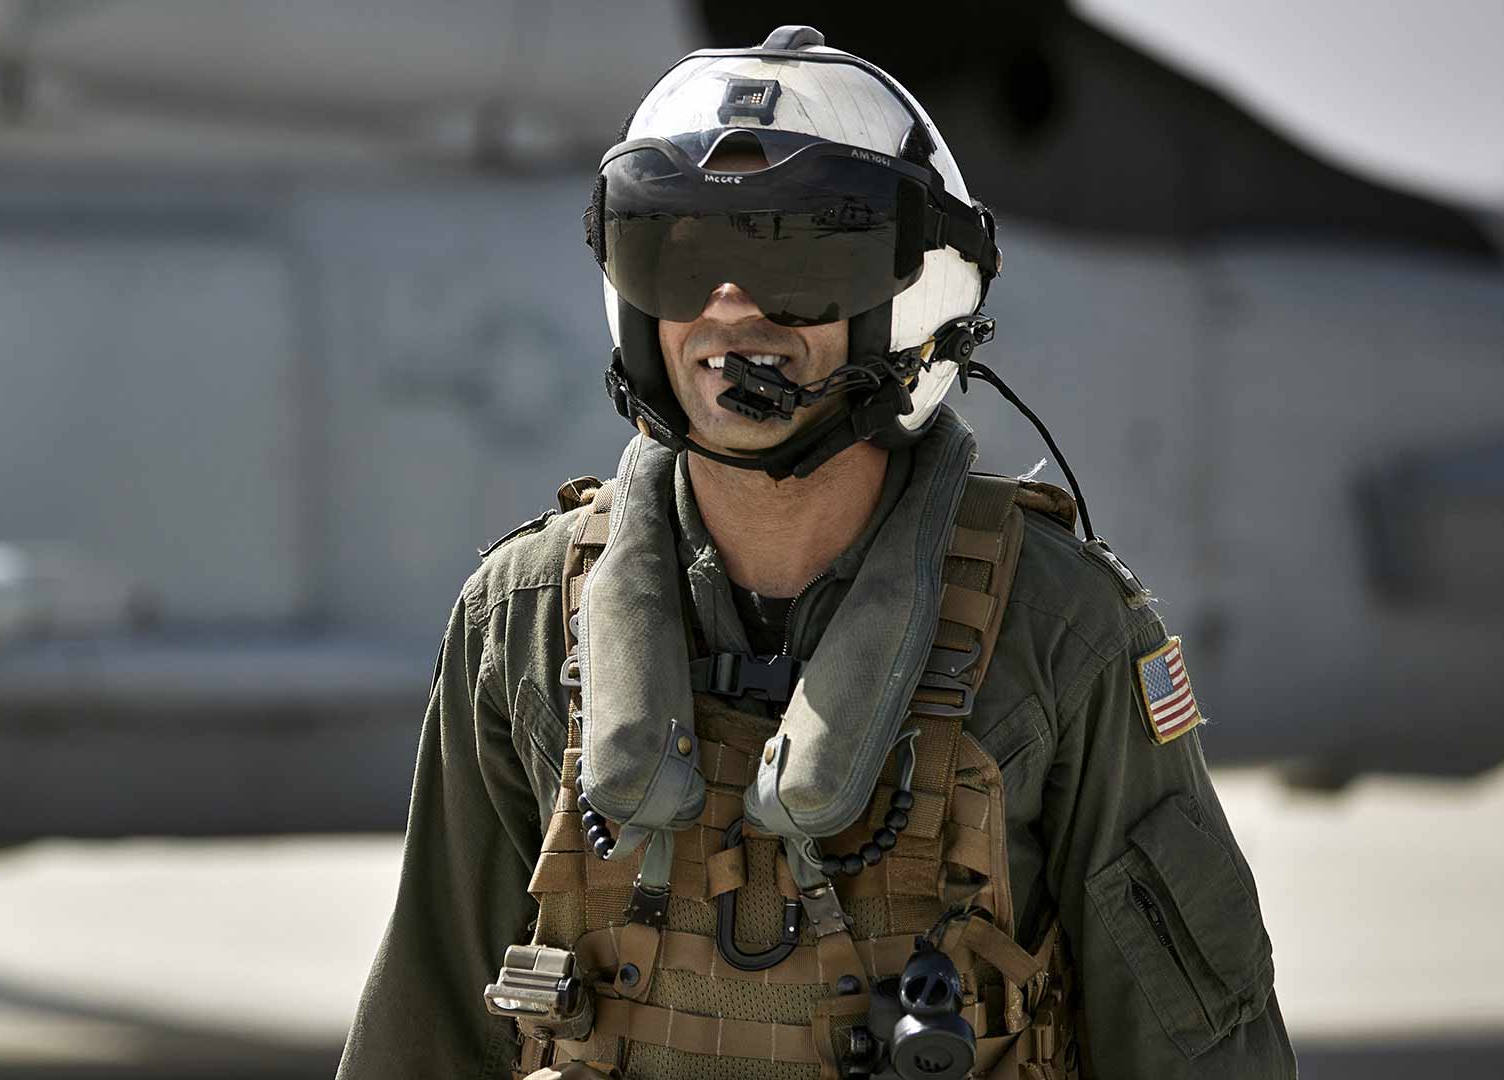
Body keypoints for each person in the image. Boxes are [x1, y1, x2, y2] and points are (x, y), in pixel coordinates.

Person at [338, 25, 1295, 1080]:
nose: (731, 309)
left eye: (798, 258)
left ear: (914, 291)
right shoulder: (520, 616)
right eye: (683, 254)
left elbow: (1200, 1054)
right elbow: (424, 1031)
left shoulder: (1062, 630)